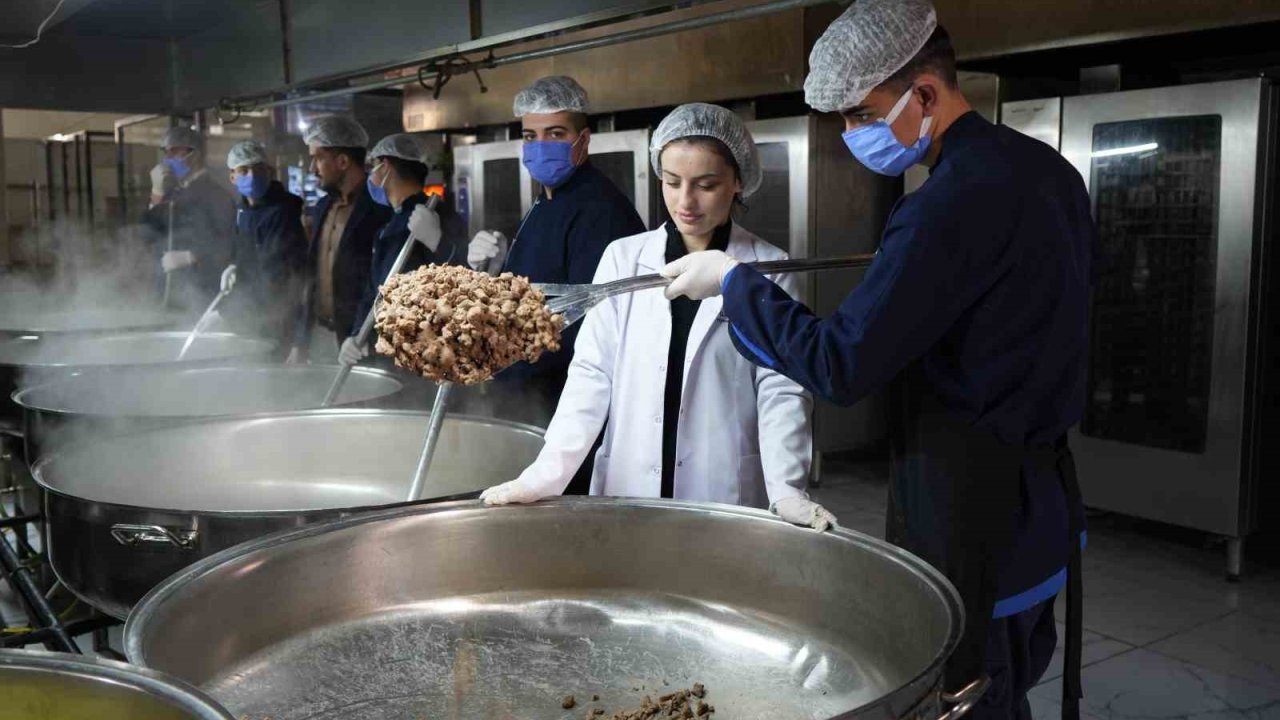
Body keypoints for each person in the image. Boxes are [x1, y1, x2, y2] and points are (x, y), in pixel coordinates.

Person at [660, 2, 1093, 719]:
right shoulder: (1046, 171)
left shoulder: (944, 205)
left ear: (925, 94)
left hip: (970, 515)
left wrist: (733, 286)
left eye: (862, 115)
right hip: (1042, 502)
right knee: (1012, 674)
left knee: (963, 695)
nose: (853, 136)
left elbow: (841, 364)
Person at [480, 103, 835, 531]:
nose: (685, 201)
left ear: (738, 181)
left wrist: (786, 488)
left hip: (721, 486)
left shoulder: (768, 269)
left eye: (706, 184)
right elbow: (592, 375)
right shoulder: (624, 258)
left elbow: (781, 391)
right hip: (628, 479)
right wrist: (547, 473)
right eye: (672, 182)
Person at [469, 76, 647, 413]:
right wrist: (497, 272)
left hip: (561, 404)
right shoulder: (545, 201)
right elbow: (539, 291)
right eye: (529, 136)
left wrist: (495, 354)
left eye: (555, 134)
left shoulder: (600, 211)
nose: (540, 147)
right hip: (522, 392)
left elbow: (587, 327)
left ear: (583, 139)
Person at [339, 133, 462, 365]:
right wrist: (356, 335)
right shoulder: (388, 226)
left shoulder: (436, 216)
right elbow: (375, 291)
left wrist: (438, 243)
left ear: (385, 166)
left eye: (372, 166)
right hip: (388, 349)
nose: (370, 175)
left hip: (426, 354)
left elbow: (464, 281)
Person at [287, 115, 391, 364]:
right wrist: (300, 342)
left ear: (343, 161)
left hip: (360, 342)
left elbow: (384, 282)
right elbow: (312, 280)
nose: (312, 169)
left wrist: (363, 336)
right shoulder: (324, 206)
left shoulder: (380, 209)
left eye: (318, 158)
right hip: (321, 336)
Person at [221, 139, 307, 352]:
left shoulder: (283, 212)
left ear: (270, 172)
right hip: (252, 312)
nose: (252, 176)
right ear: (232, 177)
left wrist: (299, 337)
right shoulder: (242, 211)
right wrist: (235, 266)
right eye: (243, 170)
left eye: (258, 169)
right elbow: (245, 250)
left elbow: (284, 272)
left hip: (277, 316)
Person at [142, 126, 235, 311]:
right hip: (173, 292)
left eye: (175, 152)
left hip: (202, 292)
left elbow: (229, 242)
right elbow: (149, 234)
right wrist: (156, 194)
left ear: (196, 155)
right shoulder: (174, 192)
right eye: (166, 153)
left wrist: (192, 256)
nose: (168, 160)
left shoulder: (216, 194)